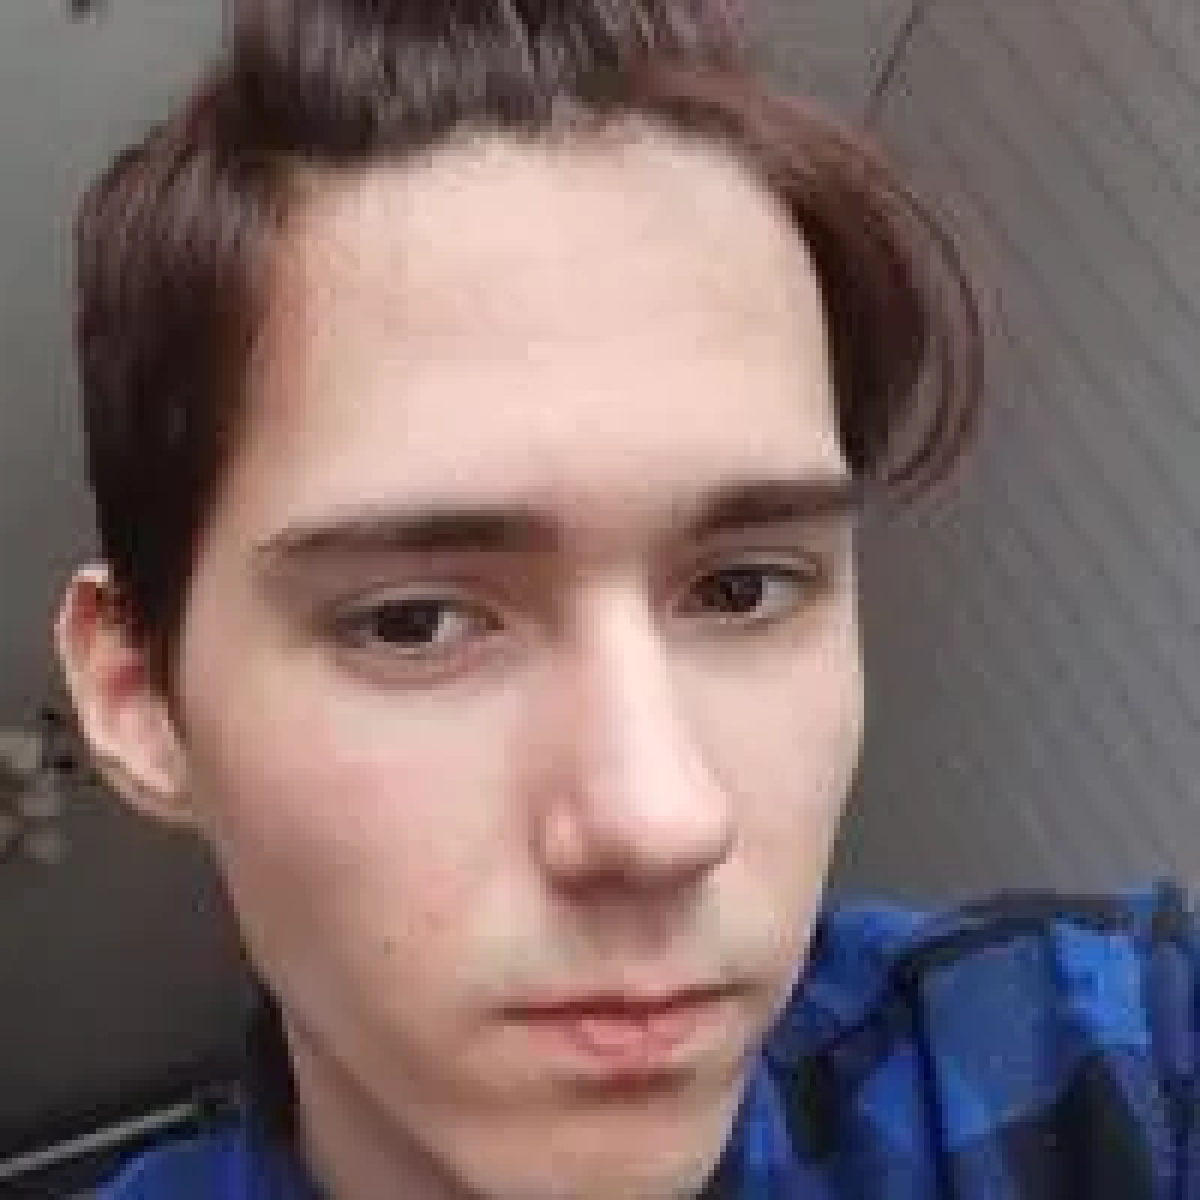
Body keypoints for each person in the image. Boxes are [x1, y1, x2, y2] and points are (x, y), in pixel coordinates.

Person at [54, 1, 1196, 1196]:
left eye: (742, 589)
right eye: (414, 622)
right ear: (137, 695)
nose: (660, 820)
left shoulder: (1110, 1076)